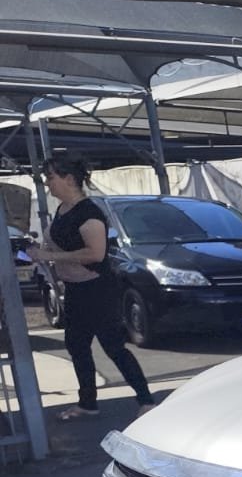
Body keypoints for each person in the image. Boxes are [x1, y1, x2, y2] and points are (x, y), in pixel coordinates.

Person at [27, 155, 157, 420]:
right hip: (75, 289)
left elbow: (95, 254)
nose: (47, 183)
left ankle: (146, 400)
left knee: (113, 346)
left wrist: (52, 257)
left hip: (97, 289)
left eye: (51, 177)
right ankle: (87, 402)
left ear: (69, 179)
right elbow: (58, 245)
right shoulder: (62, 210)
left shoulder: (89, 213)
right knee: (76, 345)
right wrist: (40, 252)